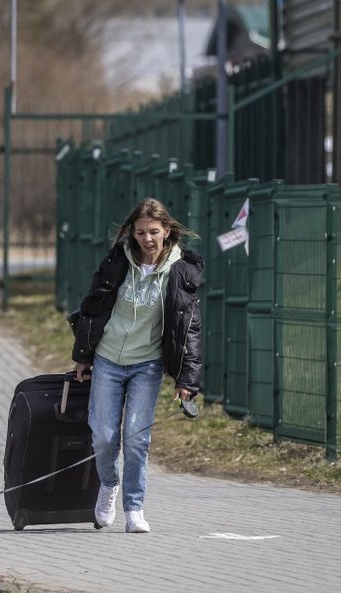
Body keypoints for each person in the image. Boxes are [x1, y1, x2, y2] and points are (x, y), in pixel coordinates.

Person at [69, 197, 203, 533]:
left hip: (147, 364)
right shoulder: (118, 261)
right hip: (108, 360)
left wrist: (187, 379)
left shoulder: (181, 270)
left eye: (154, 232)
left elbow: (189, 327)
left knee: (136, 438)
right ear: (132, 232)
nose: (147, 239)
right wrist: (83, 356)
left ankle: (135, 508)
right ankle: (109, 485)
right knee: (103, 435)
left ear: (167, 231)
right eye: (141, 232)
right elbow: (93, 305)